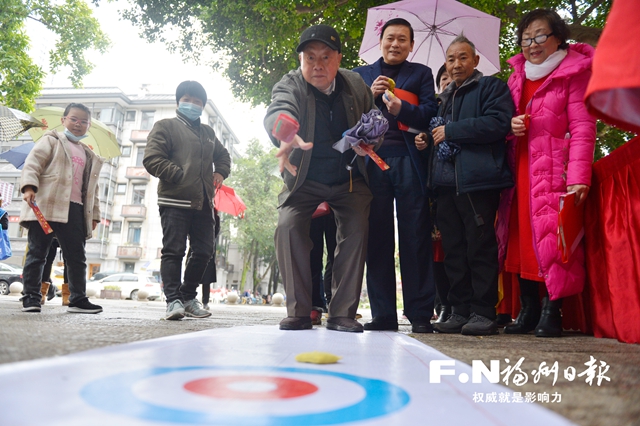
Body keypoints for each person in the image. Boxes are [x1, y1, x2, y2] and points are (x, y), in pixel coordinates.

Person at [264, 24, 376, 333]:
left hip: (349, 178)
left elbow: (374, 117)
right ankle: (300, 310)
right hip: (304, 178)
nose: (318, 65)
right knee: (287, 225)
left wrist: (371, 138)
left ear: (339, 59)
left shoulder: (355, 83)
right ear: (300, 61)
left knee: (356, 228)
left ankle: (341, 313)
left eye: (326, 57)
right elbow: (279, 110)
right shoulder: (291, 84)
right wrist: (286, 132)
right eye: (310, 57)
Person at [497, 9, 596, 337]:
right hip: (519, 169)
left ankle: (554, 310)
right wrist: (509, 127)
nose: (532, 44)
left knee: (556, 238)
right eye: (526, 38)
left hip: (556, 169)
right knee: (521, 238)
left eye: (540, 36)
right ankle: (528, 309)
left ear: (558, 38)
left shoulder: (574, 72)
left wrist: (579, 176)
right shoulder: (516, 75)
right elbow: (504, 120)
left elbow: (583, 126)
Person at [415, 35, 514, 335]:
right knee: (453, 250)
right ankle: (459, 311)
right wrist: (425, 140)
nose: (456, 65)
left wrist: (453, 130)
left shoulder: (491, 88)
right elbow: (437, 133)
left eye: (462, 58)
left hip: (476, 184)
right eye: (450, 59)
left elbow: (499, 123)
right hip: (444, 186)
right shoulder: (442, 98)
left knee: (479, 247)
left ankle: (484, 312)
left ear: (475, 61)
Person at [352, 18, 438, 333]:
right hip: (373, 163)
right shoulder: (361, 76)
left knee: (415, 235)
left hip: (409, 161)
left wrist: (403, 108)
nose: (395, 44)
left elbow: (431, 112)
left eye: (403, 39)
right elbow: (350, 118)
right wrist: (369, 97)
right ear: (381, 42)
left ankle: (419, 313)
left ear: (411, 45)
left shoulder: (422, 74)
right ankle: (384, 314)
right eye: (390, 38)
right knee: (377, 236)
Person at [144, 80, 231, 320]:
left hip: (203, 202)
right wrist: (180, 175)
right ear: (178, 102)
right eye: (187, 100)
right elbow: (152, 159)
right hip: (174, 200)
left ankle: (187, 296)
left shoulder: (208, 133)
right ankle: (173, 301)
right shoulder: (166, 126)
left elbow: (223, 156)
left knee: (204, 251)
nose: (192, 104)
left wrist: (220, 172)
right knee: (174, 251)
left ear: (202, 106)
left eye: (197, 101)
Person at [19, 103, 104, 314]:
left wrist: (94, 214)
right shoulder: (51, 140)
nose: (78, 124)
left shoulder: (88, 154)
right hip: (47, 205)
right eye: (74, 119)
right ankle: (31, 296)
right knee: (38, 252)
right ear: (64, 120)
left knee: (76, 256)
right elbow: (33, 163)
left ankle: (77, 298)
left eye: (84, 121)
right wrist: (29, 188)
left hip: (75, 209)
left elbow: (92, 189)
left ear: (88, 126)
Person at [309, 208, 337, 324]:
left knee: (339, 255)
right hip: (310, 197)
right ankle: (314, 305)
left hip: (340, 197)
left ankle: (342, 307)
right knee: (312, 253)